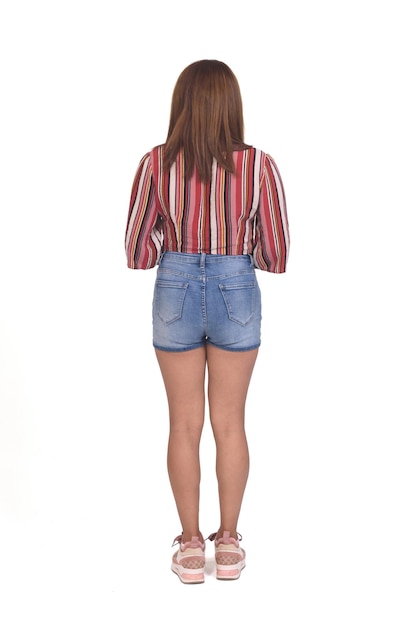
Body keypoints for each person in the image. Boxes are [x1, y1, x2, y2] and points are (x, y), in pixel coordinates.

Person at [125, 59, 289, 584]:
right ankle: (231, 544)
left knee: (184, 425)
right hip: (235, 287)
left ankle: (191, 547)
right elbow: (277, 254)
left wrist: (174, 248)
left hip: (173, 285)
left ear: (182, 105)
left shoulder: (155, 163)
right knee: (230, 424)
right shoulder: (260, 166)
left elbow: (135, 252)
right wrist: (236, 256)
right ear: (231, 106)